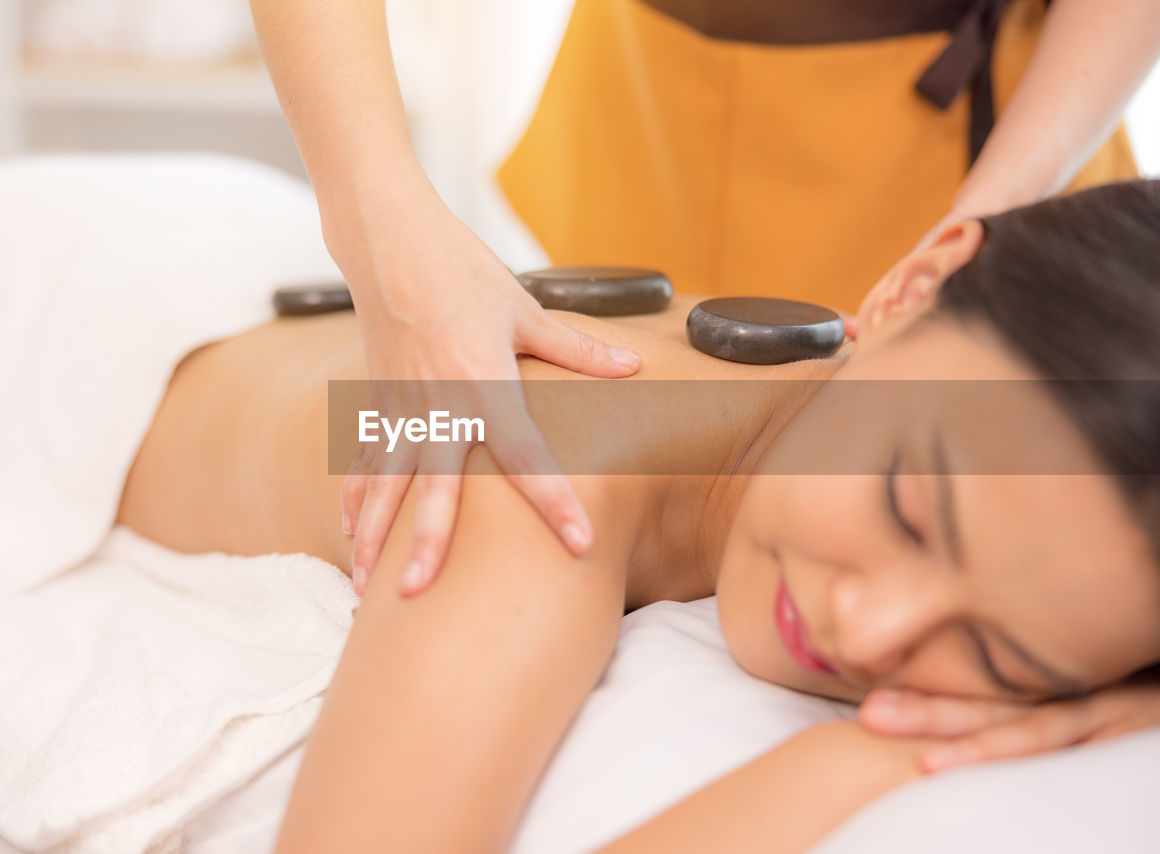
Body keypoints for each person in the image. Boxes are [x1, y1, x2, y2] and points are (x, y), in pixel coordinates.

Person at [116, 179, 1160, 851]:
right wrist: (874, 757)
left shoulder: (833, 381)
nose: (871, 632)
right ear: (913, 283)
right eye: (908, 508)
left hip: (254, 272)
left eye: (1001, 657)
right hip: (116, 309)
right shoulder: (529, 473)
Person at [248, 0, 1160, 593]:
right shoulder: (535, 469)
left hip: (980, 149)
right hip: (646, 102)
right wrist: (374, 212)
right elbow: (360, 427)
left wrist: (995, 210)